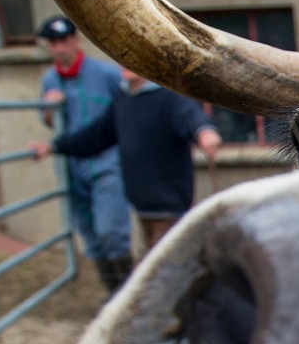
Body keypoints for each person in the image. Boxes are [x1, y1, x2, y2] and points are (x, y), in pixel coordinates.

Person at [31, 68, 222, 256]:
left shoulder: (170, 96)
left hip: (169, 211)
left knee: (163, 272)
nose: (126, 64)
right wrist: (54, 146)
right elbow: (94, 137)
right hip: (141, 209)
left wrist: (204, 131)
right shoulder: (123, 99)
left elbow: (192, 116)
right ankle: (119, 283)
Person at [38, 15, 135, 294]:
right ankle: (112, 293)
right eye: (53, 42)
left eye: (64, 40)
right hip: (72, 167)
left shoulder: (106, 74)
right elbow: (46, 120)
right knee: (92, 238)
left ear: (76, 40)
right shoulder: (50, 80)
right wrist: (48, 107)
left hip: (106, 163)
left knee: (111, 231)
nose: (59, 48)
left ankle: (127, 294)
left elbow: (126, 107)